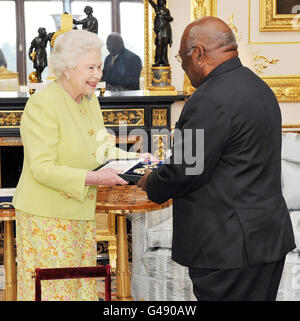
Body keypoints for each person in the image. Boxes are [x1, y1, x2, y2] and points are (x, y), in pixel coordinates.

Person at [137, 17, 296, 301]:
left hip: (229, 250)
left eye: (182, 57)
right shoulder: (258, 87)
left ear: (198, 53)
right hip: (266, 239)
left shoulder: (209, 98)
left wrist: (151, 181)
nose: (182, 67)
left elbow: (185, 170)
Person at [12, 29, 153, 301]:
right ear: (66, 69)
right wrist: (96, 179)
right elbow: (42, 168)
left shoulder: (90, 102)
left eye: (99, 66)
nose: (98, 75)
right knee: (54, 291)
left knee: (80, 287)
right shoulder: (43, 104)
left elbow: (101, 149)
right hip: (46, 217)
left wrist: (136, 159)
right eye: (90, 67)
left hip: (80, 212)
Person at [148, 0, 173, 66]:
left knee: (165, 44)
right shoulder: (157, 8)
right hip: (159, 29)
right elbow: (151, 2)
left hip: (166, 29)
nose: (160, 2)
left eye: (162, 0)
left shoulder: (167, 10)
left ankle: (164, 59)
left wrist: (166, 17)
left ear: (164, 2)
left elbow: (171, 18)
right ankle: (158, 59)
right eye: (159, 0)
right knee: (159, 43)